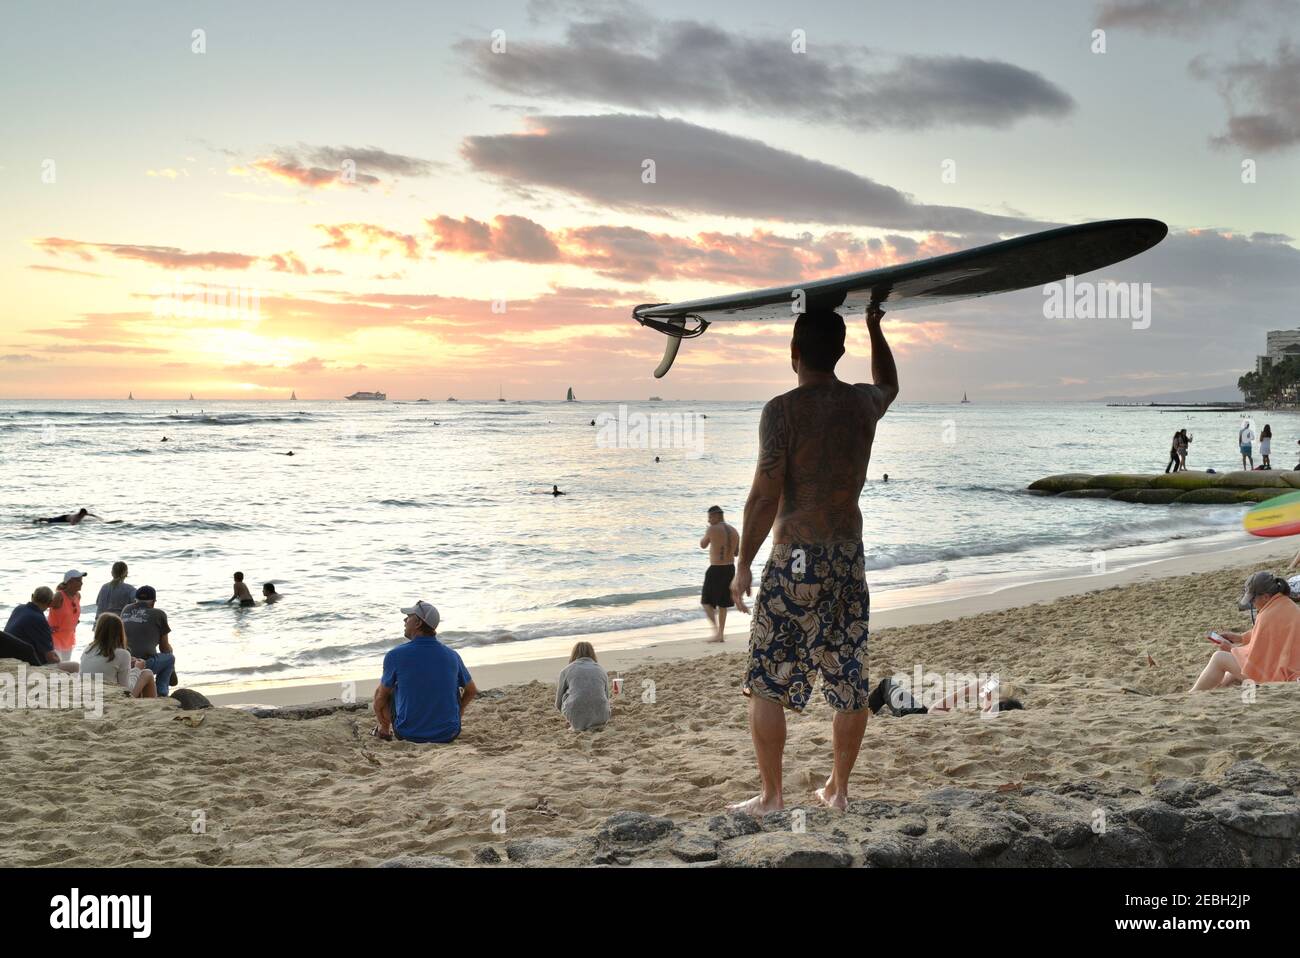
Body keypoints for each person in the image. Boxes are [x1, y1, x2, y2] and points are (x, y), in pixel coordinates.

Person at [729, 302, 898, 813]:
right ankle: (839, 791)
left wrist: (741, 564)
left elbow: (764, 493)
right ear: (841, 351)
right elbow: (889, 382)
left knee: (767, 678)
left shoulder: (782, 410)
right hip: (847, 556)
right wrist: (874, 326)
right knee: (849, 675)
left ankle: (772, 796)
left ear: (794, 352)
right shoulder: (864, 403)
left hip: (797, 556)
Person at [373, 600, 477, 743]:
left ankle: (384, 729)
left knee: (382, 690)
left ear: (418, 623)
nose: (404, 620)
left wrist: (383, 720)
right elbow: (471, 690)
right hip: (448, 733)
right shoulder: (452, 655)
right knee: (454, 687)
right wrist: (459, 712)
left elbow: (380, 698)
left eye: (408, 617)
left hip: (408, 733)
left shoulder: (395, 655)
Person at [1191, 571, 1300, 691]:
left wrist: (1231, 649)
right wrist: (1241, 638)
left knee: (1219, 658)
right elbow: (1270, 635)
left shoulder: (1267, 616)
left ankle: (1193, 694)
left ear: (1266, 597)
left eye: (1252, 600)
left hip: (1277, 677)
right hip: (1290, 668)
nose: (1251, 603)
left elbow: (1254, 657)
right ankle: (1219, 686)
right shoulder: (1287, 604)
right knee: (1233, 663)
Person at [80, 613, 157, 699]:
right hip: (109, 698)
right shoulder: (123, 654)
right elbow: (127, 690)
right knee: (147, 673)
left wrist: (127, 665)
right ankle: (152, 708)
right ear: (120, 632)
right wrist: (137, 669)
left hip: (88, 694)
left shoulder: (88, 649)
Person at [867, 676, 1024, 716]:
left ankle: (864, 714)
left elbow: (933, 711)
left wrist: (963, 692)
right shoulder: (982, 716)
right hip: (919, 711)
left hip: (917, 713)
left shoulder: (983, 715)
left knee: (885, 684)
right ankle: (872, 712)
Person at [5, 587, 78, 672]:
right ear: (50, 603)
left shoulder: (19, 608)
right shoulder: (39, 619)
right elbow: (50, 657)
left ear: (32, 596)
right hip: (26, 662)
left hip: (8, 654)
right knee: (75, 666)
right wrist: (59, 660)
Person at [121, 586, 176, 697]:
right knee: (170, 658)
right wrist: (170, 651)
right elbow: (164, 647)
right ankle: (162, 692)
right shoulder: (159, 614)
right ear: (153, 602)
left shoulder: (126, 609)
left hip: (124, 661)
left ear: (135, 600)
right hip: (142, 663)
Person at [699, 505, 738, 643]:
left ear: (716, 516)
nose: (709, 520)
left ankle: (716, 632)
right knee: (723, 603)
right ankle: (720, 634)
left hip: (716, 569)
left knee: (705, 602)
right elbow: (737, 553)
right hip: (730, 568)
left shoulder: (712, 529)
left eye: (710, 517)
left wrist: (708, 536)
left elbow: (703, 545)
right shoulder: (734, 530)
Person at [555, 641, 610, 731]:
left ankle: (578, 722)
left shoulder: (566, 670)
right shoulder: (601, 669)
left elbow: (558, 703)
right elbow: (607, 698)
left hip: (576, 717)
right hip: (602, 716)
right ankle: (592, 721)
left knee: (566, 694)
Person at [48, 569, 86, 662]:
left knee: (65, 668)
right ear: (70, 582)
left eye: (81, 581)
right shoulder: (59, 596)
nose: (82, 583)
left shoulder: (78, 596)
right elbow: (42, 606)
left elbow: (72, 613)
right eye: (79, 581)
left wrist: (75, 621)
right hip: (55, 638)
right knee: (57, 667)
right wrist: (45, 627)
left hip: (69, 638)